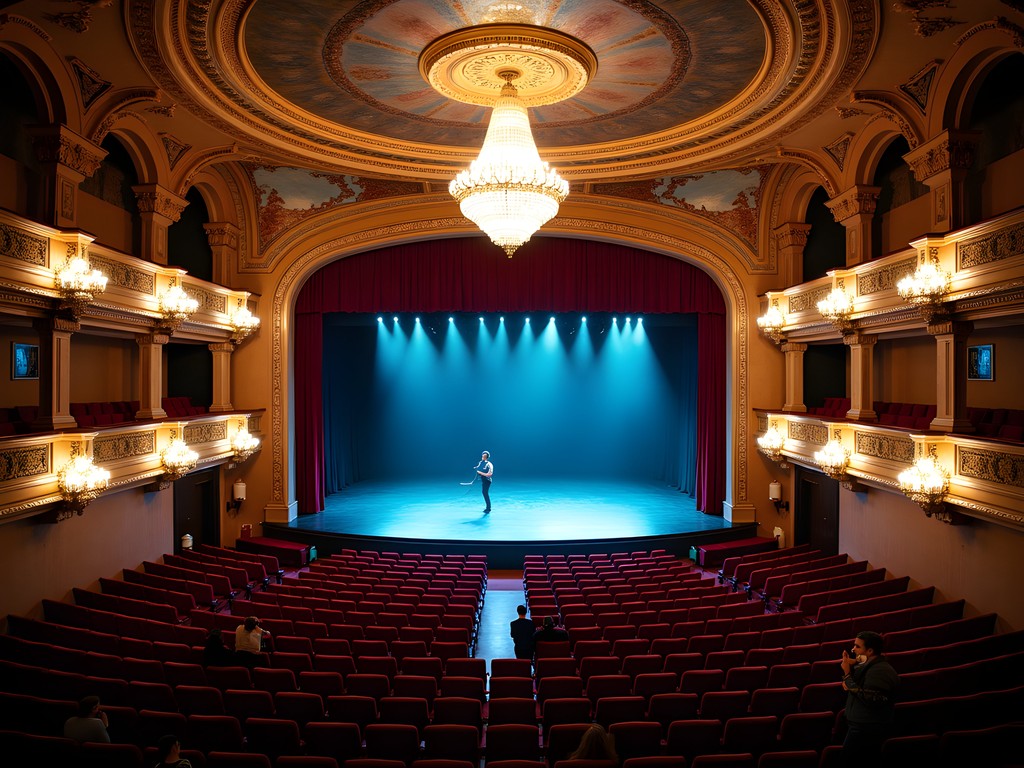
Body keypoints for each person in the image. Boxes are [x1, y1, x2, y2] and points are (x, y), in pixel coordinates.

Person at [840, 630, 899, 763]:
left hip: (865, 728)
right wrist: (854, 663)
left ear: (870, 651)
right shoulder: (872, 665)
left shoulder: (880, 672)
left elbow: (869, 698)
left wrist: (847, 674)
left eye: (857, 646)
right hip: (861, 725)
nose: (853, 649)